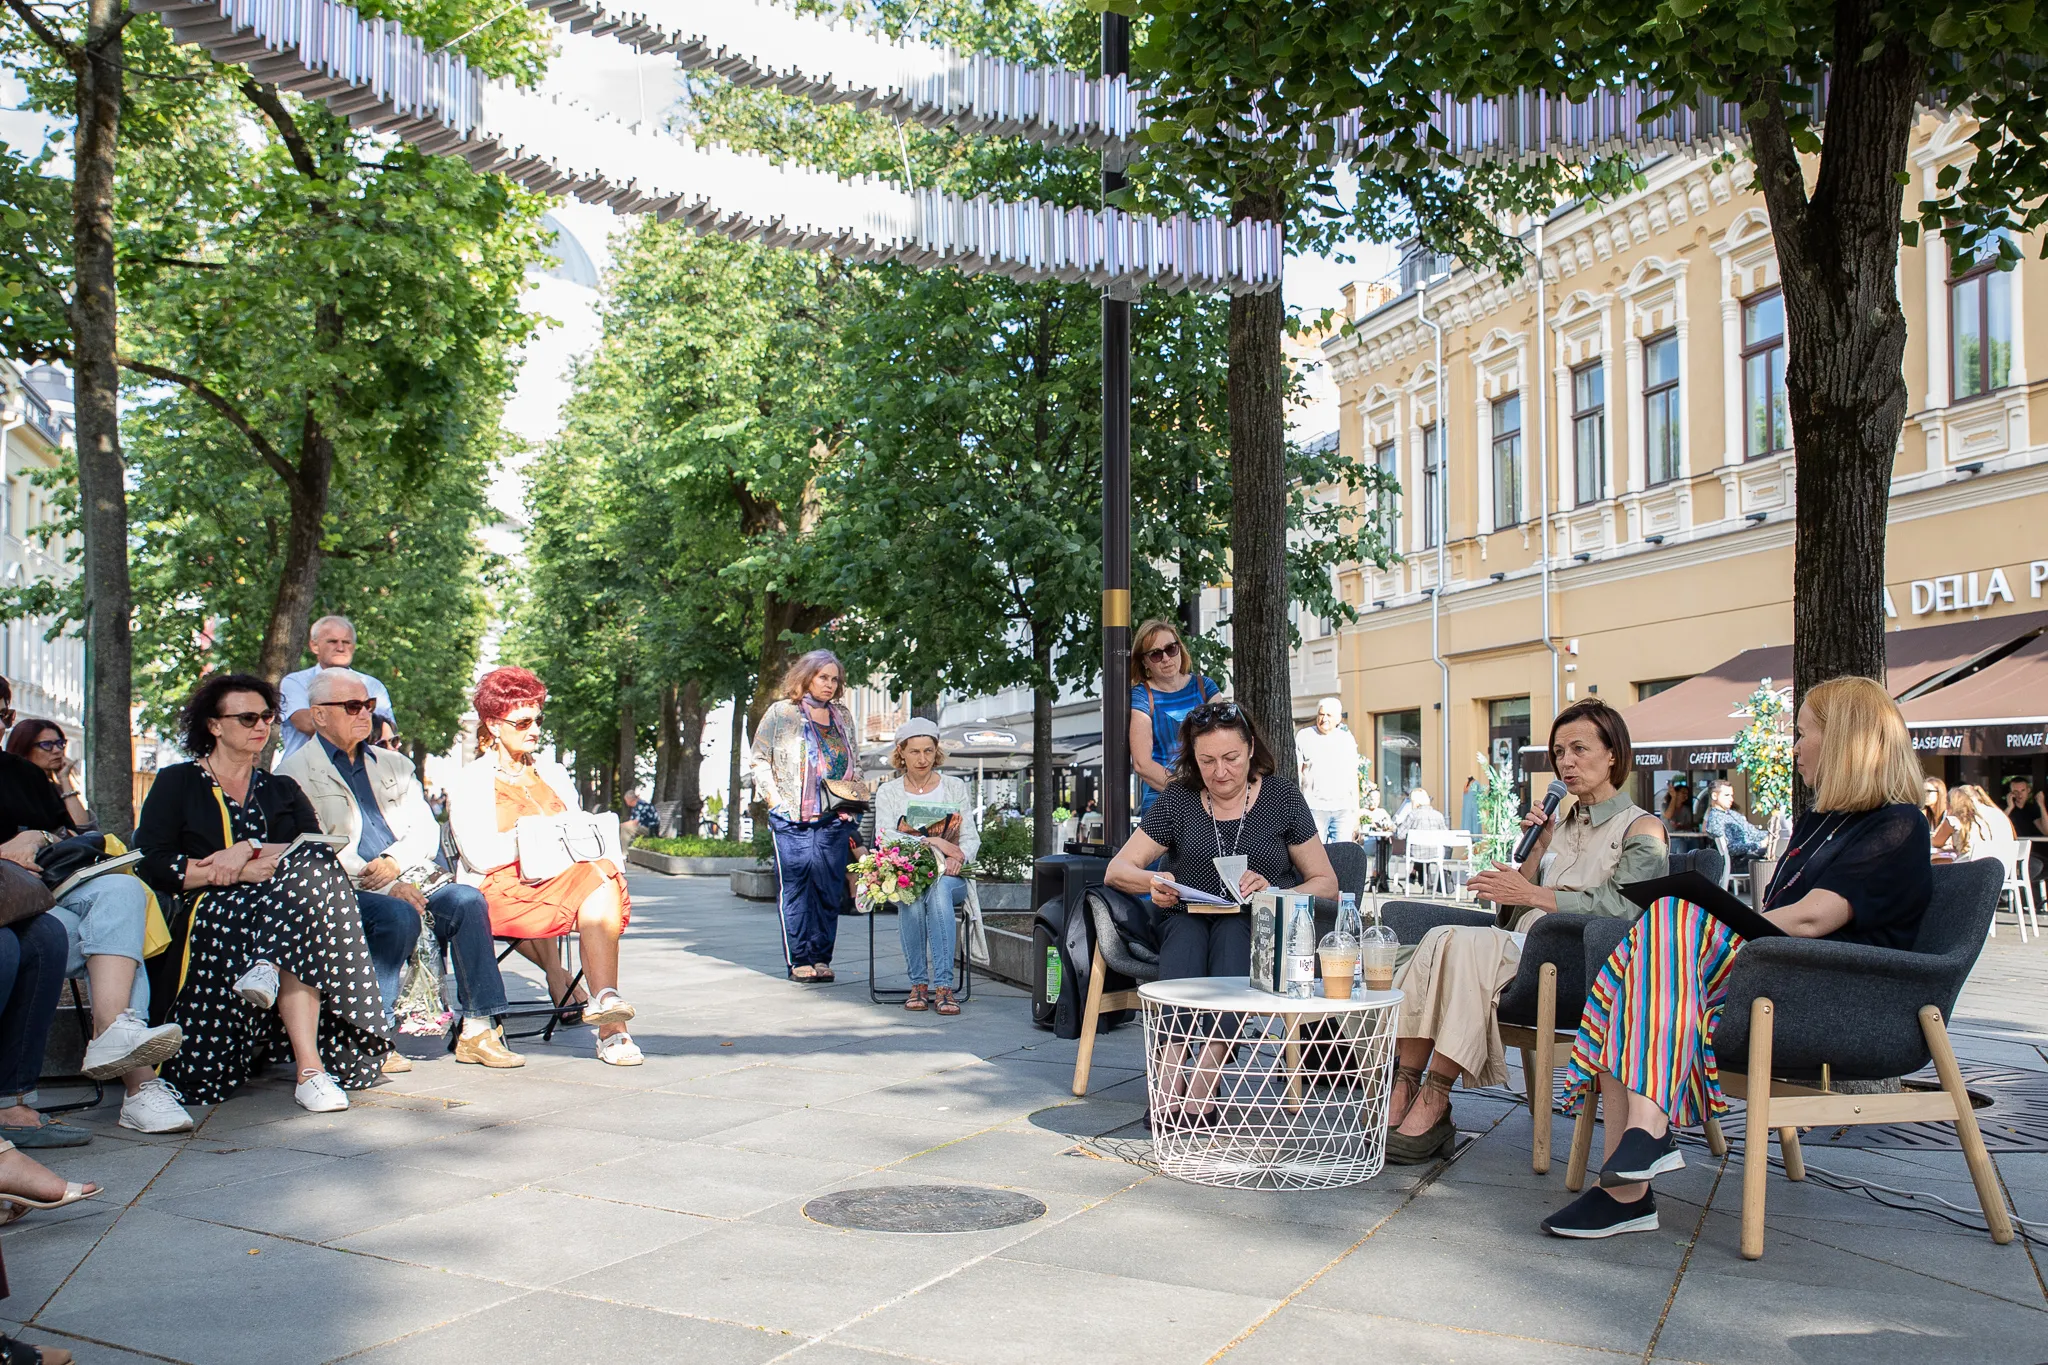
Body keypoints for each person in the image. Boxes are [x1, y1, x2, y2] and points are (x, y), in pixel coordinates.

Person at [1542, 676, 1931, 1239]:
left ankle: (1632, 1176)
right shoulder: (1822, 823)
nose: (1794, 748)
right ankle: (1632, 1166)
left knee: (1667, 925)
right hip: (1776, 978)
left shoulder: (1897, 825)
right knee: (1649, 946)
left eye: (1803, 735)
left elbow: (1813, 918)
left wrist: (1707, 928)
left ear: (1846, 740)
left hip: (1838, 1000)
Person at [1382, 699, 1668, 1164]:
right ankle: (1407, 1086)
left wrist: (1533, 895)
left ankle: (1435, 1099)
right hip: (1524, 952)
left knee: (1454, 943)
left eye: (1579, 748)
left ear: (1613, 753)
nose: (1566, 762)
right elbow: (1511, 917)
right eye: (1559, 752)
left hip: (1580, 966)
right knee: (1441, 938)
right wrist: (1533, 858)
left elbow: (1625, 908)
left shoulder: (1643, 827)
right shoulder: (1561, 824)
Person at [136, 674, 389, 1112]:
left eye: (268, 717)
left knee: (312, 876)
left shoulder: (279, 788)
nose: (262, 726)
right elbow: (154, 861)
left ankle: (309, 1066)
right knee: (305, 910)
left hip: (285, 905)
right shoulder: (178, 781)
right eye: (248, 717)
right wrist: (235, 873)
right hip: (212, 907)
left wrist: (246, 849)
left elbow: (319, 849)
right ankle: (279, 992)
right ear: (214, 726)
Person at [277, 668, 523, 1070]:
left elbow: (424, 828)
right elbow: (316, 845)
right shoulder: (294, 773)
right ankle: (376, 1034)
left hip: (405, 873)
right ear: (319, 715)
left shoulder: (395, 764)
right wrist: (380, 879)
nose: (365, 715)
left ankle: (480, 1028)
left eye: (369, 706)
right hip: (346, 884)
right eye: (352, 706)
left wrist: (394, 866)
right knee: (395, 914)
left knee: (465, 901)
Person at [1105, 702, 1336, 1118]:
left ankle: (1203, 1084)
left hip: (1254, 922)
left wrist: (1275, 890)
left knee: (1234, 938)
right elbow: (1118, 869)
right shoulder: (1180, 799)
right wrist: (1156, 883)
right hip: (1185, 917)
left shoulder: (1281, 796)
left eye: (1230, 758)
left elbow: (1326, 883)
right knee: (1186, 938)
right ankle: (1169, 1078)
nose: (1220, 772)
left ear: (1250, 749)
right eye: (1206, 760)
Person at [448, 667, 639, 1066]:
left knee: (601, 870)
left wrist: (579, 833)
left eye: (538, 719)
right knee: (597, 878)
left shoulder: (552, 772)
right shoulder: (471, 780)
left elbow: (574, 831)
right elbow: (479, 855)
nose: (534, 729)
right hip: (498, 890)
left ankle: (607, 1008)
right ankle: (608, 1023)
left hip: (559, 880)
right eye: (522, 721)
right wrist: (533, 838)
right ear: (494, 725)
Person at [751, 650, 865, 983]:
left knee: (829, 890)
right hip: (791, 819)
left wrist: (851, 803)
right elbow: (759, 759)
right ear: (807, 677)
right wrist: (774, 801)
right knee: (797, 888)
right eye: (822, 677)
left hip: (834, 817)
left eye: (834, 679)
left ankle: (820, 957)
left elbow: (854, 761)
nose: (829, 685)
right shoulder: (781, 712)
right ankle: (799, 958)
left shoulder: (842, 715)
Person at [871, 719, 978, 1015]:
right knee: (912, 895)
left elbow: (969, 838)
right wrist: (937, 842)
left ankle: (942, 986)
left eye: (928, 751)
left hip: (950, 876)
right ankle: (918, 983)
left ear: (936, 752)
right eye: (915, 751)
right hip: (907, 874)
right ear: (901, 752)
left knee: (940, 890)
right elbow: (885, 838)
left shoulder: (954, 787)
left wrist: (958, 856)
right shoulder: (888, 792)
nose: (922, 759)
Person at [1128, 619, 1222, 818]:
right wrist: (1190, 792)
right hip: (1162, 801)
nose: (1165, 658)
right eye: (1155, 654)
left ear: (1180, 649)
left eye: (1171, 649)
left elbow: (1225, 739)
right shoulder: (1142, 696)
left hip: (1211, 796)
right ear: (1144, 661)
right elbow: (1142, 764)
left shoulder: (1205, 687)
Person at [278, 616, 394, 760]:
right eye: (332, 641)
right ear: (314, 646)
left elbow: (384, 731)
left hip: (362, 771)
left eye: (346, 642)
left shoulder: (373, 686)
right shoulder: (296, 682)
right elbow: (307, 723)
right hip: (303, 772)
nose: (340, 647)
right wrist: (360, 727)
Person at [3, 721, 89, 831]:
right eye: (47, 745)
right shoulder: (14, 789)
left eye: (60, 743)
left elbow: (83, 829)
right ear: (25, 749)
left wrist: (65, 779)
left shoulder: (56, 786)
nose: (57, 751)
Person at [1296, 697, 1362, 842]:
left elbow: (1352, 777)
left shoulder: (1346, 740)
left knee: (1343, 856)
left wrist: (1356, 812)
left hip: (1342, 809)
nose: (1324, 718)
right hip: (1314, 808)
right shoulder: (1304, 736)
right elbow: (1298, 773)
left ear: (1338, 718)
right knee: (1316, 857)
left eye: (1329, 715)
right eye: (1321, 714)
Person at [1700, 780, 1769, 871]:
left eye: (1731, 795)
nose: (1731, 799)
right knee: (1774, 855)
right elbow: (1731, 849)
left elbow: (1753, 833)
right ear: (1714, 796)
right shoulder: (1715, 819)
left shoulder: (1732, 814)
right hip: (1737, 863)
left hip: (1746, 857)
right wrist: (1759, 844)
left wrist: (1771, 836)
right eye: (1727, 795)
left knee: (1777, 850)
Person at [1945, 784, 2015, 866]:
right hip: (2003, 870)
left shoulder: (1965, 817)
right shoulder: (1999, 814)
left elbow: (1935, 842)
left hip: (1975, 871)